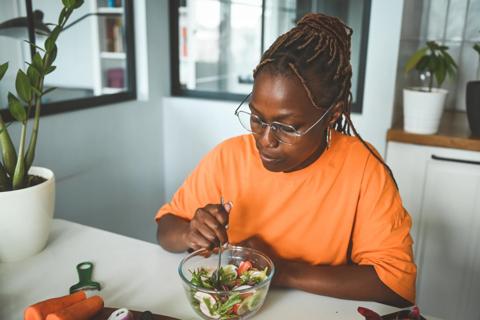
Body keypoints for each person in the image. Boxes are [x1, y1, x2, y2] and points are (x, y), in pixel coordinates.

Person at [156, 13, 416, 307]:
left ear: (332, 114)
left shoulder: (363, 169)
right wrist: (189, 232)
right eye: (257, 119)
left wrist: (279, 270)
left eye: (287, 127)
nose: (265, 140)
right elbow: (165, 228)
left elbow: (395, 286)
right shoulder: (228, 157)